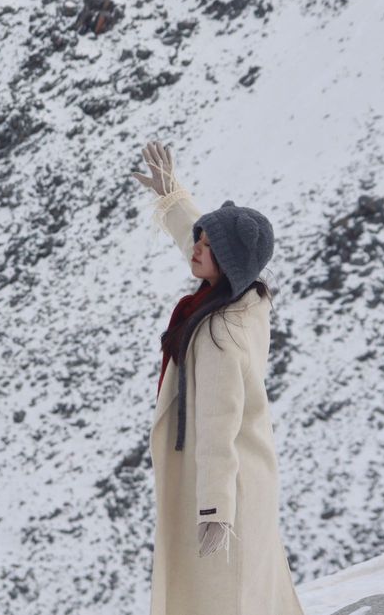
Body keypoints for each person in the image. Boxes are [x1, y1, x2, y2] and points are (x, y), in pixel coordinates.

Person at [132, 140, 306, 615]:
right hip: (248, 472)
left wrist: (212, 510)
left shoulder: (217, 332)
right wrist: (172, 195)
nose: (197, 248)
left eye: (209, 248)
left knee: (219, 598)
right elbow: (199, 236)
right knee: (250, 592)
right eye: (200, 239)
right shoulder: (246, 298)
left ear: (228, 264)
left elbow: (216, 424)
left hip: (222, 485)